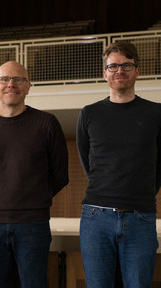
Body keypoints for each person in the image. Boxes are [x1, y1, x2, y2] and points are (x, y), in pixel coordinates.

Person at [0, 61, 69, 288]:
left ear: (28, 86)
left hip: (33, 224)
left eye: (18, 79)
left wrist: (33, 199)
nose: (11, 84)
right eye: (4, 79)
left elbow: (60, 174)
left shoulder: (47, 123)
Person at [77, 41, 161, 287]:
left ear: (137, 70)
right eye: (113, 66)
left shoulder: (156, 113)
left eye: (126, 65)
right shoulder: (89, 113)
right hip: (95, 217)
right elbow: (87, 160)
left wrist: (141, 193)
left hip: (140, 217)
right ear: (105, 73)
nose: (119, 71)